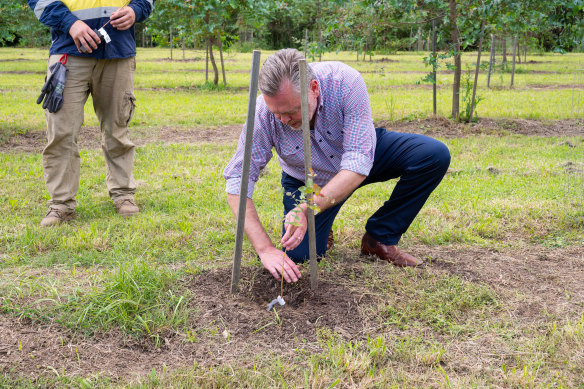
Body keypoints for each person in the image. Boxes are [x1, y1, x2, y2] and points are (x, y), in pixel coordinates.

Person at [223, 48, 450, 283]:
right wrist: (265, 249)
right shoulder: (263, 112)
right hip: (307, 180)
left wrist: (308, 209)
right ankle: (323, 220)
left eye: (291, 111)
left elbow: (358, 160)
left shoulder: (344, 82)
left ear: (313, 88)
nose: (283, 120)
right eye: (276, 113)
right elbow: (238, 178)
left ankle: (379, 237)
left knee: (432, 155)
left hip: (359, 156)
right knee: (299, 256)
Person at [28, 0, 155, 226]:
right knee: (61, 132)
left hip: (118, 51)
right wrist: (70, 23)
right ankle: (61, 205)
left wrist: (135, 10)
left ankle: (123, 194)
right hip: (68, 50)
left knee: (117, 128)